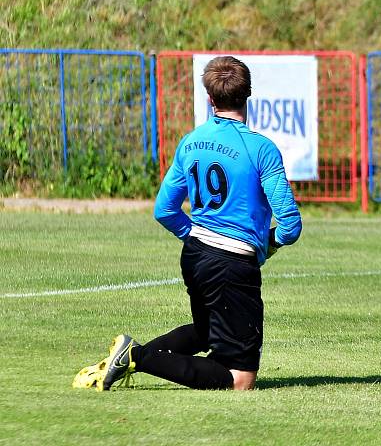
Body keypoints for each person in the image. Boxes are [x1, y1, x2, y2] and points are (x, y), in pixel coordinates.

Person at [73, 55, 302, 391]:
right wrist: (270, 244)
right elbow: (290, 225)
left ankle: (119, 361)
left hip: (195, 254)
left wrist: (195, 237)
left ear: (209, 99)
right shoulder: (261, 149)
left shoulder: (191, 142)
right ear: (249, 94)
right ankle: (137, 356)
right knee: (239, 378)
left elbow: (164, 210)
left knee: (208, 330)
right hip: (232, 261)